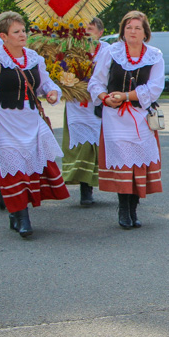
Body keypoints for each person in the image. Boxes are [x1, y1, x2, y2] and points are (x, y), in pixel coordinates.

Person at [0, 11, 68, 237]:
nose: (23, 35)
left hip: (31, 120)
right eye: (17, 32)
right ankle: (21, 216)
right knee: (12, 170)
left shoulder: (34, 58)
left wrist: (53, 92)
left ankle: (16, 214)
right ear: (3, 36)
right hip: (4, 120)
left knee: (30, 167)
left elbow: (44, 83)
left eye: (23, 30)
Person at [88, 11, 164, 229]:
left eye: (137, 27)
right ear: (122, 31)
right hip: (115, 118)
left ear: (145, 32)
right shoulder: (111, 52)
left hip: (140, 117)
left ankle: (133, 208)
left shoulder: (155, 55)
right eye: (128, 27)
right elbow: (96, 82)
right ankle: (123, 208)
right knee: (122, 163)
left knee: (138, 164)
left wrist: (126, 96)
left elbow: (155, 87)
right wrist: (105, 97)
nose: (132, 31)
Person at [61, 16, 108, 207]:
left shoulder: (108, 51)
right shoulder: (70, 51)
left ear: (100, 32)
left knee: (101, 145)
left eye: (90, 28)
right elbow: (61, 73)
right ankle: (84, 188)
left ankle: (114, 185)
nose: (86, 32)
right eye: (83, 29)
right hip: (77, 105)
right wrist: (71, 86)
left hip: (100, 104)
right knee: (82, 146)